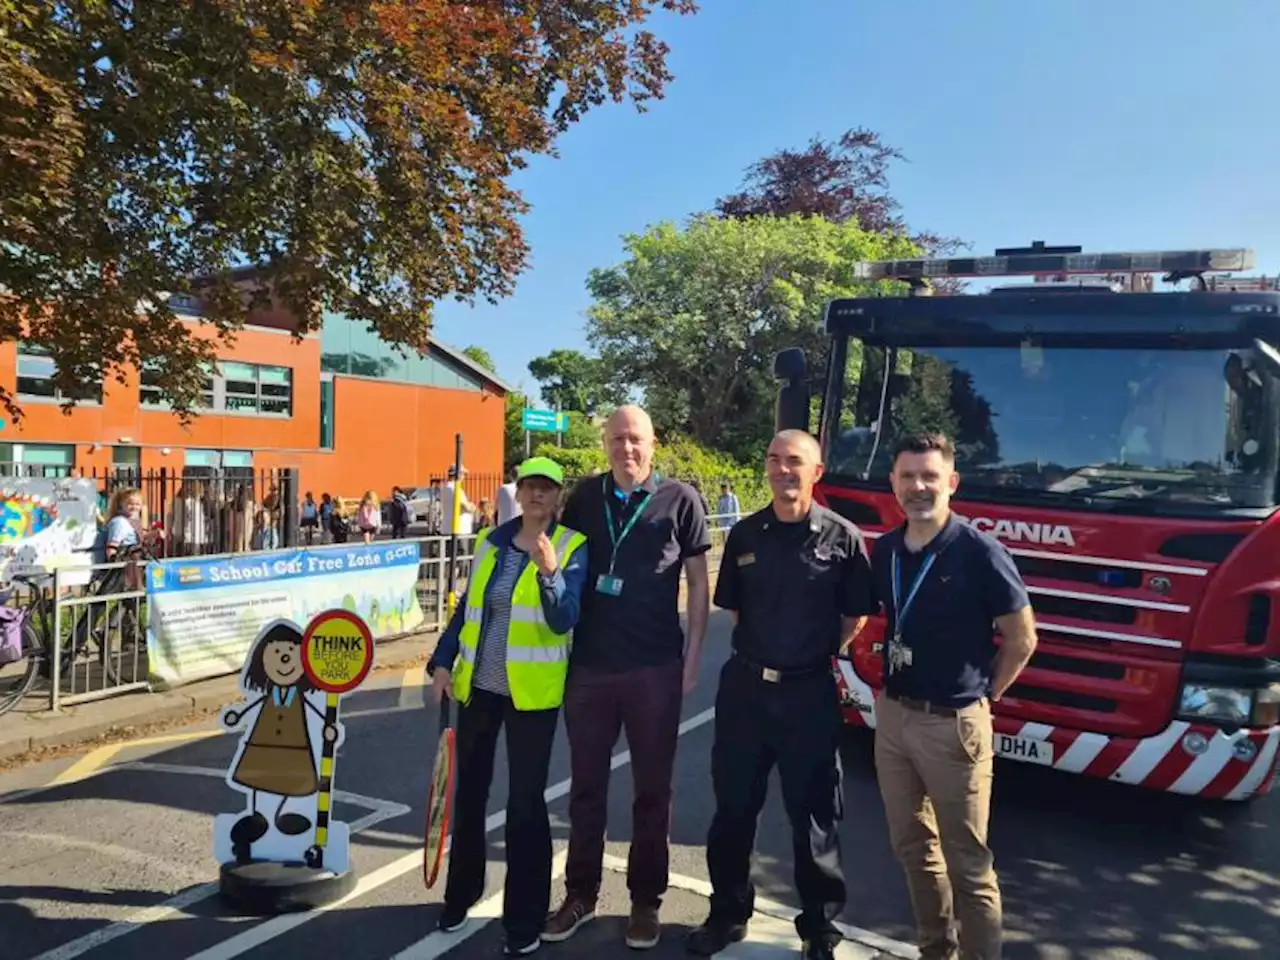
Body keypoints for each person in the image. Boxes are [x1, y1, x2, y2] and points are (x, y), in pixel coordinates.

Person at [688, 430, 875, 960]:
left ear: (816, 472)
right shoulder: (746, 535)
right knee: (733, 811)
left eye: (795, 461)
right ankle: (727, 914)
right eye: (773, 459)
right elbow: (738, 611)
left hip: (808, 694)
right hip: (746, 690)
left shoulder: (843, 538)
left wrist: (810, 655)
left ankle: (819, 927)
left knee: (815, 816)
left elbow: (855, 616)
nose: (782, 469)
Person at [543, 404, 710, 951]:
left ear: (653, 443)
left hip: (654, 668)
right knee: (586, 789)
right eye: (617, 439)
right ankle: (581, 893)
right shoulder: (584, 498)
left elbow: (698, 585)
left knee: (652, 792)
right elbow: (562, 571)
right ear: (605, 445)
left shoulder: (681, 500)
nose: (626, 448)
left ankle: (645, 901)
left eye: (635, 438)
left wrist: (692, 658)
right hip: (590, 669)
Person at [870, 433, 1037, 960]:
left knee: (968, 865)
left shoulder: (981, 553)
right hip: (894, 719)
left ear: (952, 484)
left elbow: (1022, 639)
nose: (918, 487)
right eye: (907, 476)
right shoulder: (887, 549)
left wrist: (983, 697)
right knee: (913, 849)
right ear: (893, 483)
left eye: (929, 477)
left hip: (953, 726)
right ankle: (935, 950)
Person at [427, 456, 588, 957]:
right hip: (478, 688)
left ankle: (523, 919)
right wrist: (441, 662)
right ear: (517, 493)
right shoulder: (490, 542)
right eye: (530, 486)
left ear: (559, 497)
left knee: (524, 805)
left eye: (547, 488)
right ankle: (462, 894)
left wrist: (550, 574)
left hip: (531, 696)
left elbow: (565, 619)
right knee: (470, 795)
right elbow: (468, 611)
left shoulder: (571, 547)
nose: (537, 495)